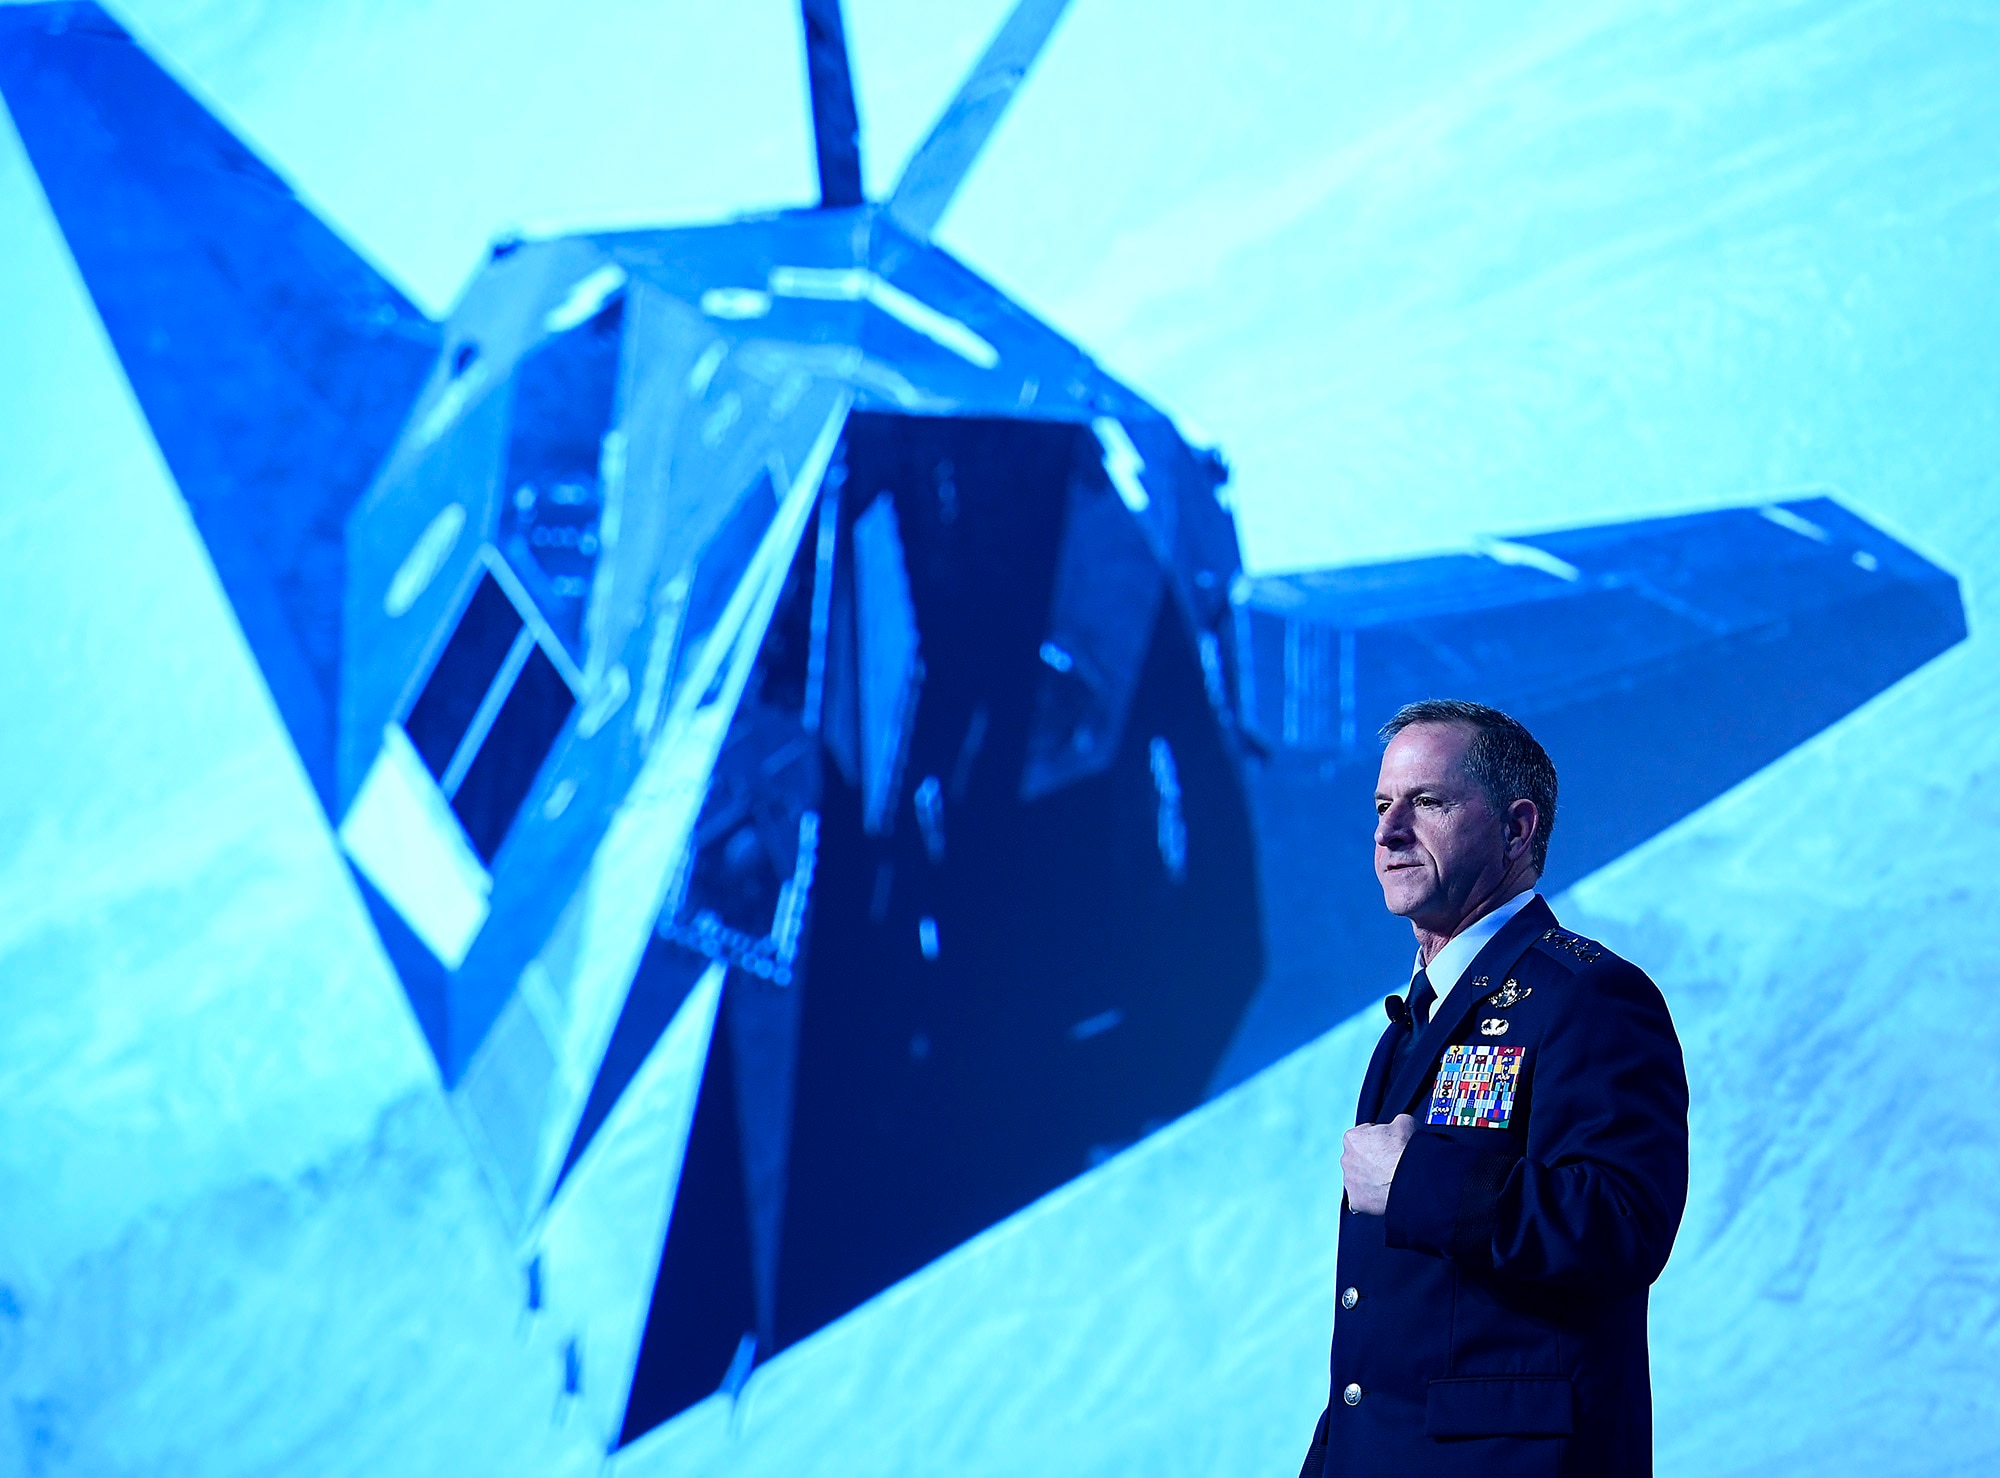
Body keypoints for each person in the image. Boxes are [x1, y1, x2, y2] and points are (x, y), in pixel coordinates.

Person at [1299, 699, 1689, 1477]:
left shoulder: (1590, 995)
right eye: (1381, 806)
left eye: (1428, 802)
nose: (1387, 833)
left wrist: (1416, 1180)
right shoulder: (1407, 1025)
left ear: (1517, 829)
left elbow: (1622, 1225)